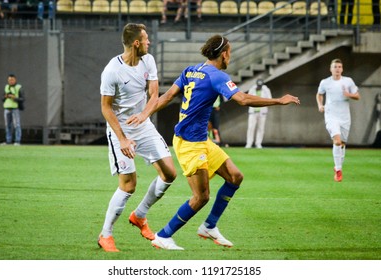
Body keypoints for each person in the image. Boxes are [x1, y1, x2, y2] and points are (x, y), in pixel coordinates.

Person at [149, 35, 300, 250]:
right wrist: (278, 100)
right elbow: (243, 99)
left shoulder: (190, 70)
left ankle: (209, 226)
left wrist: (144, 113)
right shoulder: (217, 76)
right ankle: (163, 236)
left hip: (200, 140)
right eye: (230, 51)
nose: (231, 55)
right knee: (201, 197)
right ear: (223, 53)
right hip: (190, 143)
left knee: (235, 177)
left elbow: (165, 98)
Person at [98, 23, 177, 252]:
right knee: (129, 185)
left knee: (170, 173)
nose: (149, 43)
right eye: (146, 39)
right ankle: (106, 235)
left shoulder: (148, 60)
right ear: (136, 43)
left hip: (143, 126)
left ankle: (139, 215)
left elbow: (154, 94)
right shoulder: (112, 70)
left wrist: (143, 115)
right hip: (120, 130)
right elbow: (106, 108)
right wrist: (122, 139)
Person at [316, 58, 360, 182]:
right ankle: (338, 170)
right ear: (331, 69)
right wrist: (320, 105)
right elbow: (319, 94)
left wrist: (349, 95)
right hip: (331, 116)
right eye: (335, 67)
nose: (337, 69)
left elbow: (357, 96)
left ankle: (338, 167)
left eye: (339, 67)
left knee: (343, 144)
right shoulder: (325, 82)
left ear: (342, 69)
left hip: (345, 117)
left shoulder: (348, 81)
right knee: (337, 141)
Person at [245, 79, 272, 149]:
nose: (259, 87)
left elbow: (270, 99)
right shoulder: (252, 89)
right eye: (258, 85)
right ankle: (249, 143)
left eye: (260, 86)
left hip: (262, 112)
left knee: (261, 128)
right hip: (252, 112)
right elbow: (248, 98)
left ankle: (258, 143)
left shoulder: (266, 89)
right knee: (251, 128)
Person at [1, 74, 24, 146]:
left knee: (16, 125)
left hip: (15, 108)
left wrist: (14, 98)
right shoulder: (6, 87)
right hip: (7, 108)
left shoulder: (18, 87)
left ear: (15, 80)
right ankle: (8, 140)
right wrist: (6, 96)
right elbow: (2, 98)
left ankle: (17, 141)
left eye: (12, 80)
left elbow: (22, 99)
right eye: (9, 80)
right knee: (7, 125)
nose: (10, 81)